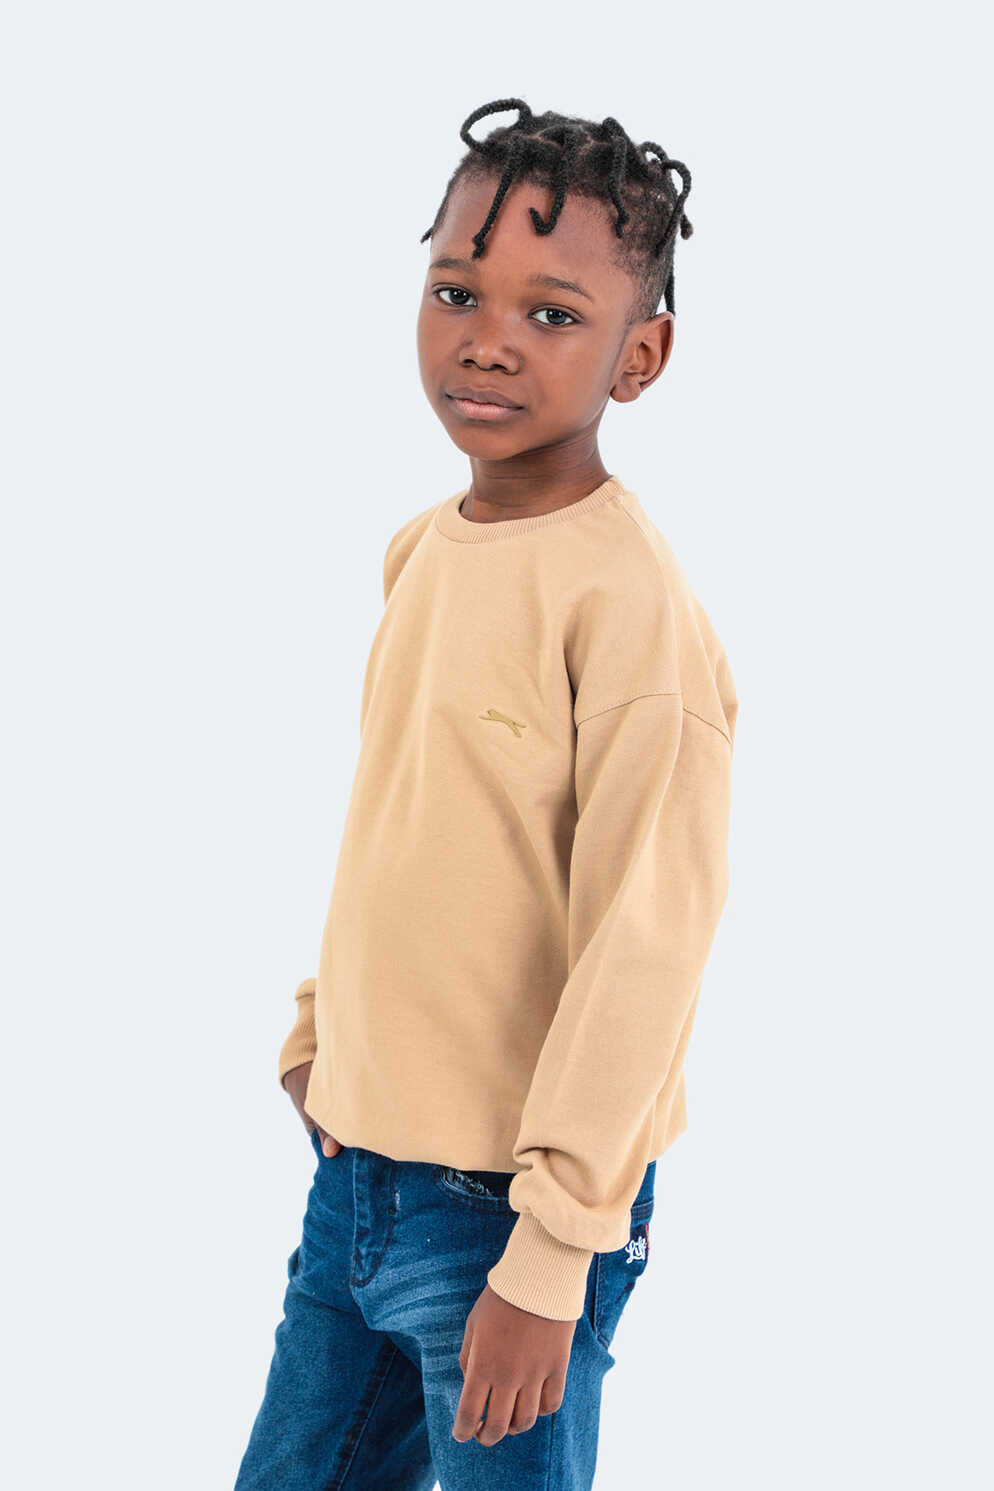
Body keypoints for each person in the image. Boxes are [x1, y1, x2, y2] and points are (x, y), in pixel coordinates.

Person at [233, 95, 738, 1491]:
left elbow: (646, 941)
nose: (488, 338)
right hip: (358, 1172)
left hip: (508, 1216)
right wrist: (321, 1035)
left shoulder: (628, 611)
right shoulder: (422, 552)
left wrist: (555, 1248)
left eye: (553, 314)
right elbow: (402, 819)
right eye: (458, 291)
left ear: (640, 356)